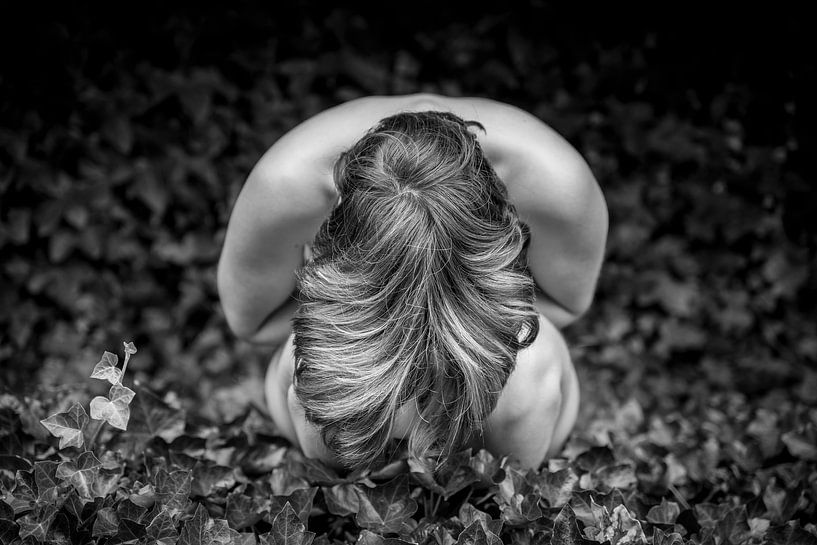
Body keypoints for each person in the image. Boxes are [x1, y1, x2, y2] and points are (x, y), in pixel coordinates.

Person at [217, 93, 608, 471]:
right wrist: (373, 339)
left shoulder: (558, 186)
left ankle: (503, 496)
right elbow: (253, 321)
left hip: (481, 348)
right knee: (316, 371)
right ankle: (343, 491)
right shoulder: (285, 187)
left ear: (502, 230)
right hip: (356, 346)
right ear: (336, 231)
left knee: (532, 365)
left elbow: (568, 304)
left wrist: (453, 346)